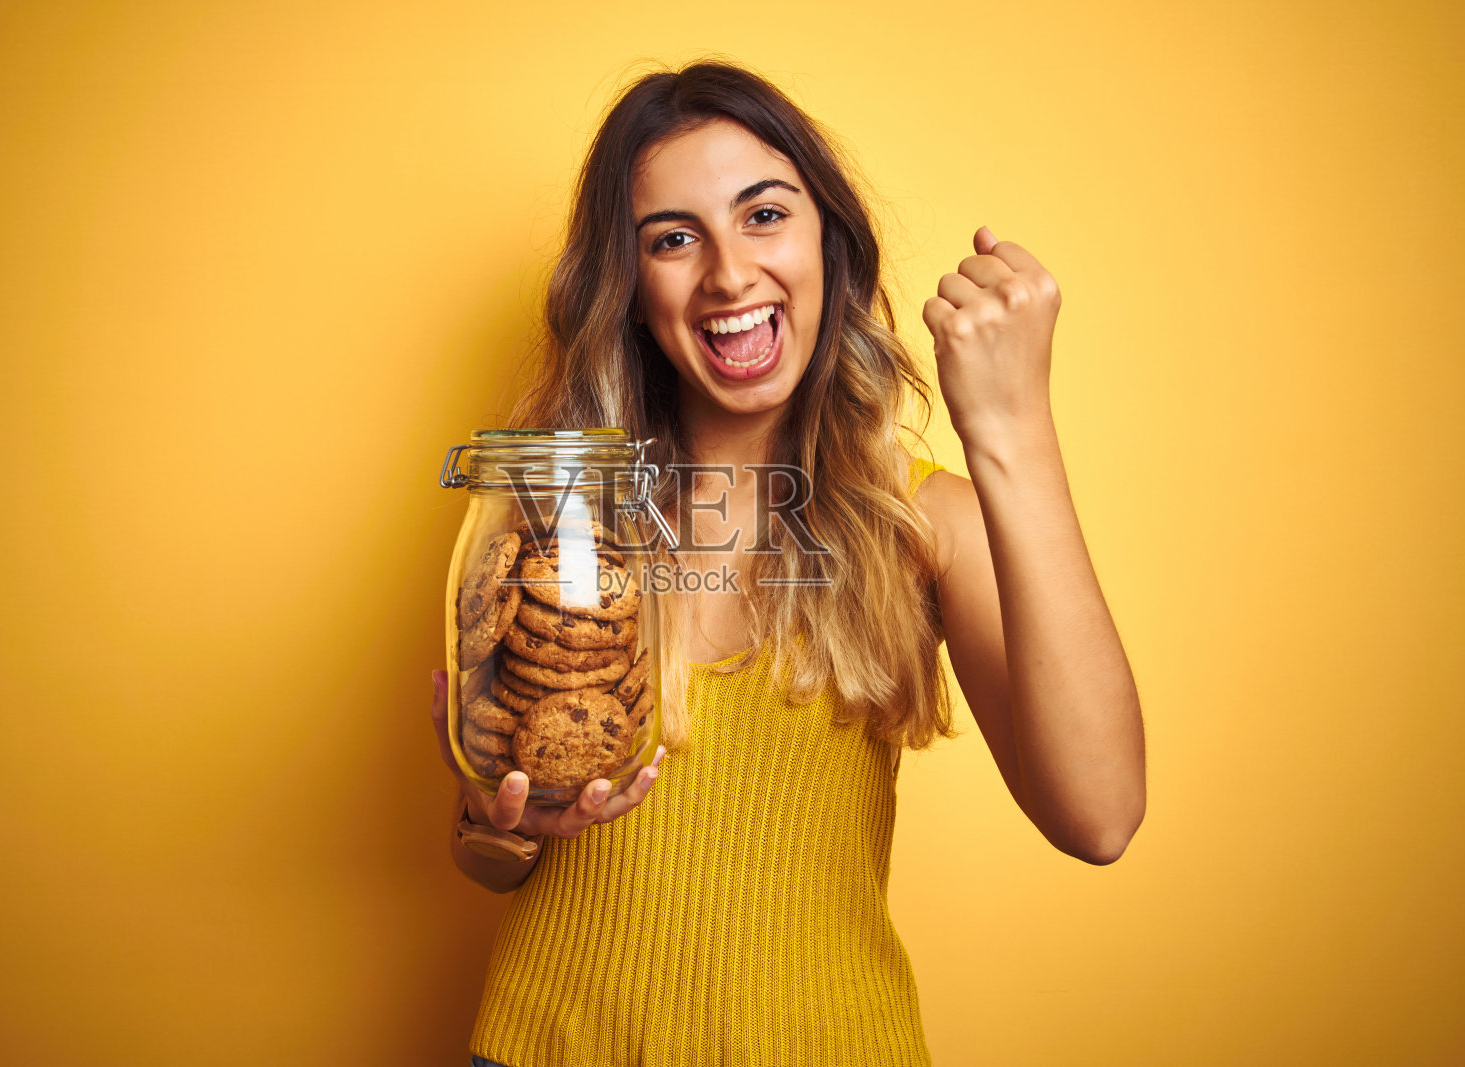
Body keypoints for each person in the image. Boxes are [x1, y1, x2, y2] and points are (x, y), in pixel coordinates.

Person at [429, 60, 1146, 1066]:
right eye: (672, 239)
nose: (727, 273)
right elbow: (491, 858)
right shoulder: (560, 518)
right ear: (631, 291)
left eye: (763, 214)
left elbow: (1101, 813)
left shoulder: (921, 519)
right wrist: (500, 816)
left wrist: (1013, 427)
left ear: (828, 244)